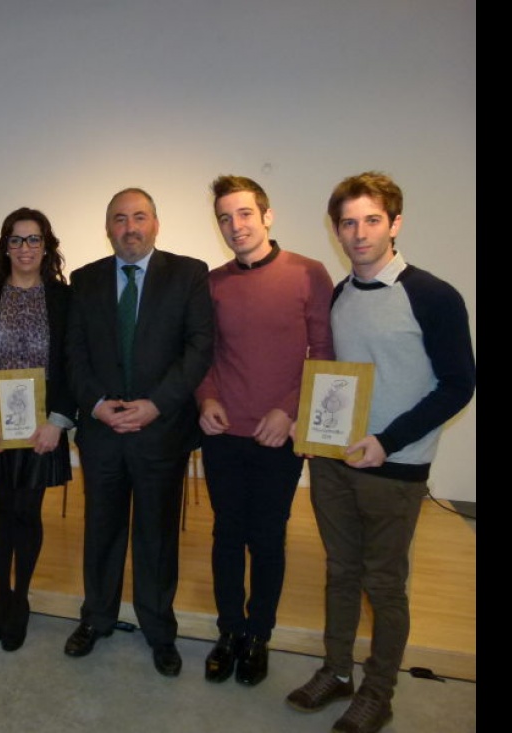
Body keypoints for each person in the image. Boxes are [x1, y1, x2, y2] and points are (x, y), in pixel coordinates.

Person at [285, 172, 475, 733]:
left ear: (395, 224)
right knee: (340, 572)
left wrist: (387, 441)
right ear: (336, 230)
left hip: (396, 467)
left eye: (371, 220)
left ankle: (379, 690)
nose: (359, 232)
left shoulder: (432, 295)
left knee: (384, 583)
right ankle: (336, 671)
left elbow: (459, 384)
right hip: (333, 462)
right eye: (348, 222)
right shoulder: (340, 297)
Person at [63, 188, 215, 677]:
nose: (130, 227)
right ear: (107, 228)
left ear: (156, 224)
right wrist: (97, 405)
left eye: (139, 217)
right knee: (101, 530)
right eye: (119, 218)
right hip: (103, 432)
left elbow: (198, 348)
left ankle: (159, 629)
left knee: (156, 535)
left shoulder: (188, 274)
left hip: (160, 432)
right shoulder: (84, 280)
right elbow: (74, 353)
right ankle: (98, 617)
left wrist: (156, 405)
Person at [194, 175, 335, 686]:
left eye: (245, 214)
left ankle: (260, 635)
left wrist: (291, 411)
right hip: (224, 431)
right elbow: (204, 354)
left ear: (267, 215)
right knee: (227, 534)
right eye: (225, 218)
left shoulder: (308, 274)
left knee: (268, 538)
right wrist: (206, 397)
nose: (235, 226)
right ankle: (229, 631)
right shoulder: (213, 283)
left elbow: (323, 353)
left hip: (280, 434)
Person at [0, 207, 76, 651]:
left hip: (41, 431)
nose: (24, 248)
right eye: (16, 239)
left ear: (46, 246)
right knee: (0, 510)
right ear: (4, 246)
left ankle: (21, 596)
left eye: (33, 240)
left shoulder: (64, 299)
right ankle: (1, 595)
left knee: (27, 513)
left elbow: (73, 364)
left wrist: (58, 422)